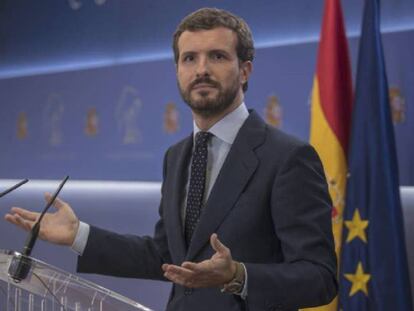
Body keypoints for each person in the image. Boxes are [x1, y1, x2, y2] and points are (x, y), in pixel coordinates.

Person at [5, 8, 337, 311]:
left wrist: (237, 275)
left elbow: (320, 278)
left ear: (245, 71)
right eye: (189, 58)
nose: (202, 69)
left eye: (217, 56)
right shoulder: (177, 156)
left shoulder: (289, 158)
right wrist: (79, 235)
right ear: (178, 70)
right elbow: (168, 257)